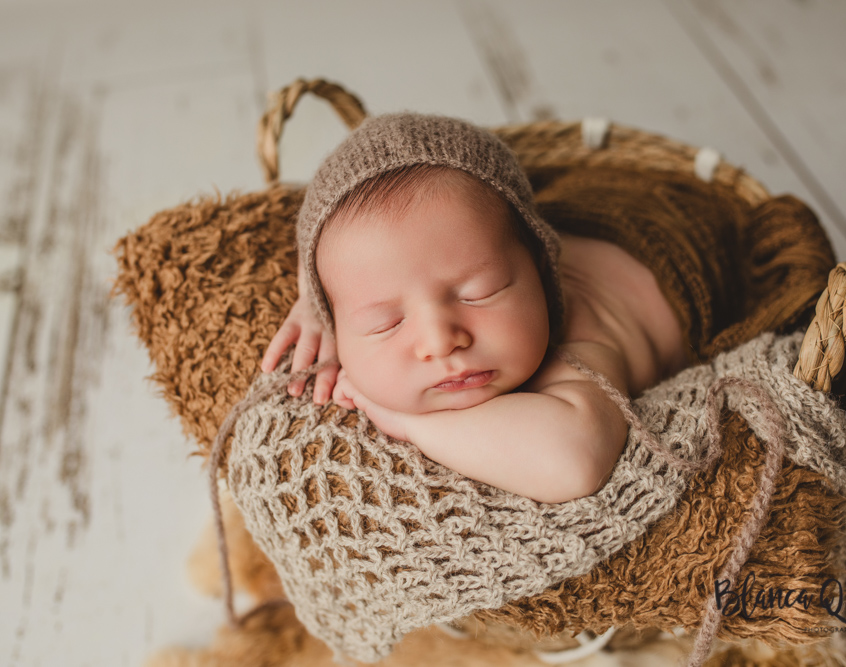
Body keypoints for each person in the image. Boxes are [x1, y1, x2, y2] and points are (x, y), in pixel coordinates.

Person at [260, 113, 687, 503]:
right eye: (384, 323)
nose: (440, 341)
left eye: (479, 293)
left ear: (541, 270)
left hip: (664, 253)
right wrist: (311, 304)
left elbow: (572, 462)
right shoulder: (383, 269)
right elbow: (326, 224)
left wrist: (408, 424)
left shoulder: (578, 345)